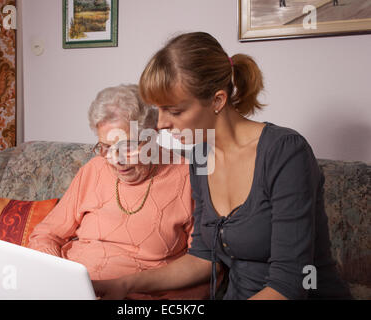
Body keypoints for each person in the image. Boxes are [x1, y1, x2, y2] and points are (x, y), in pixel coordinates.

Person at [92, 32, 352, 300]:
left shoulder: (285, 152)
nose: (160, 124)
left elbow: (290, 283)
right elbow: (203, 258)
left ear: (217, 100)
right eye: (158, 109)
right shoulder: (201, 156)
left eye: (175, 111)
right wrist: (124, 285)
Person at [25, 84, 210, 299]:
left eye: (128, 147)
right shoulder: (93, 169)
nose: (116, 160)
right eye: (105, 147)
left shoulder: (190, 177)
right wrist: (57, 275)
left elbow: (205, 266)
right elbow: (46, 234)